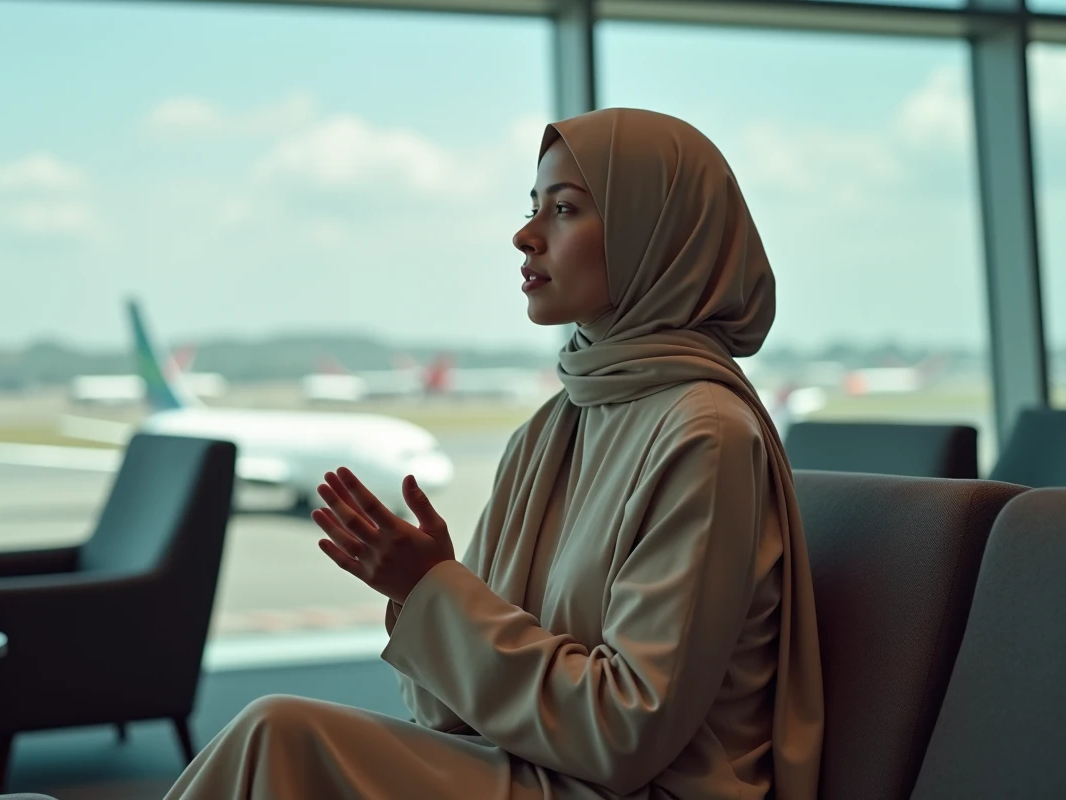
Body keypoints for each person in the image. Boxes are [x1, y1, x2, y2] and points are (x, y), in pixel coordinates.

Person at [162, 107, 824, 800]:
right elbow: (445, 714)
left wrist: (438, 597)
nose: (525, 235)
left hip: (635, 789)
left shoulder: (706, 433)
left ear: (657, 238)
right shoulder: (557, 424)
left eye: (563, 209)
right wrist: (427, 595)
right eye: (533, 206)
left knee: (279, 738)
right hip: (548, 768)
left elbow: (627, 734)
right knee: (279, 738)